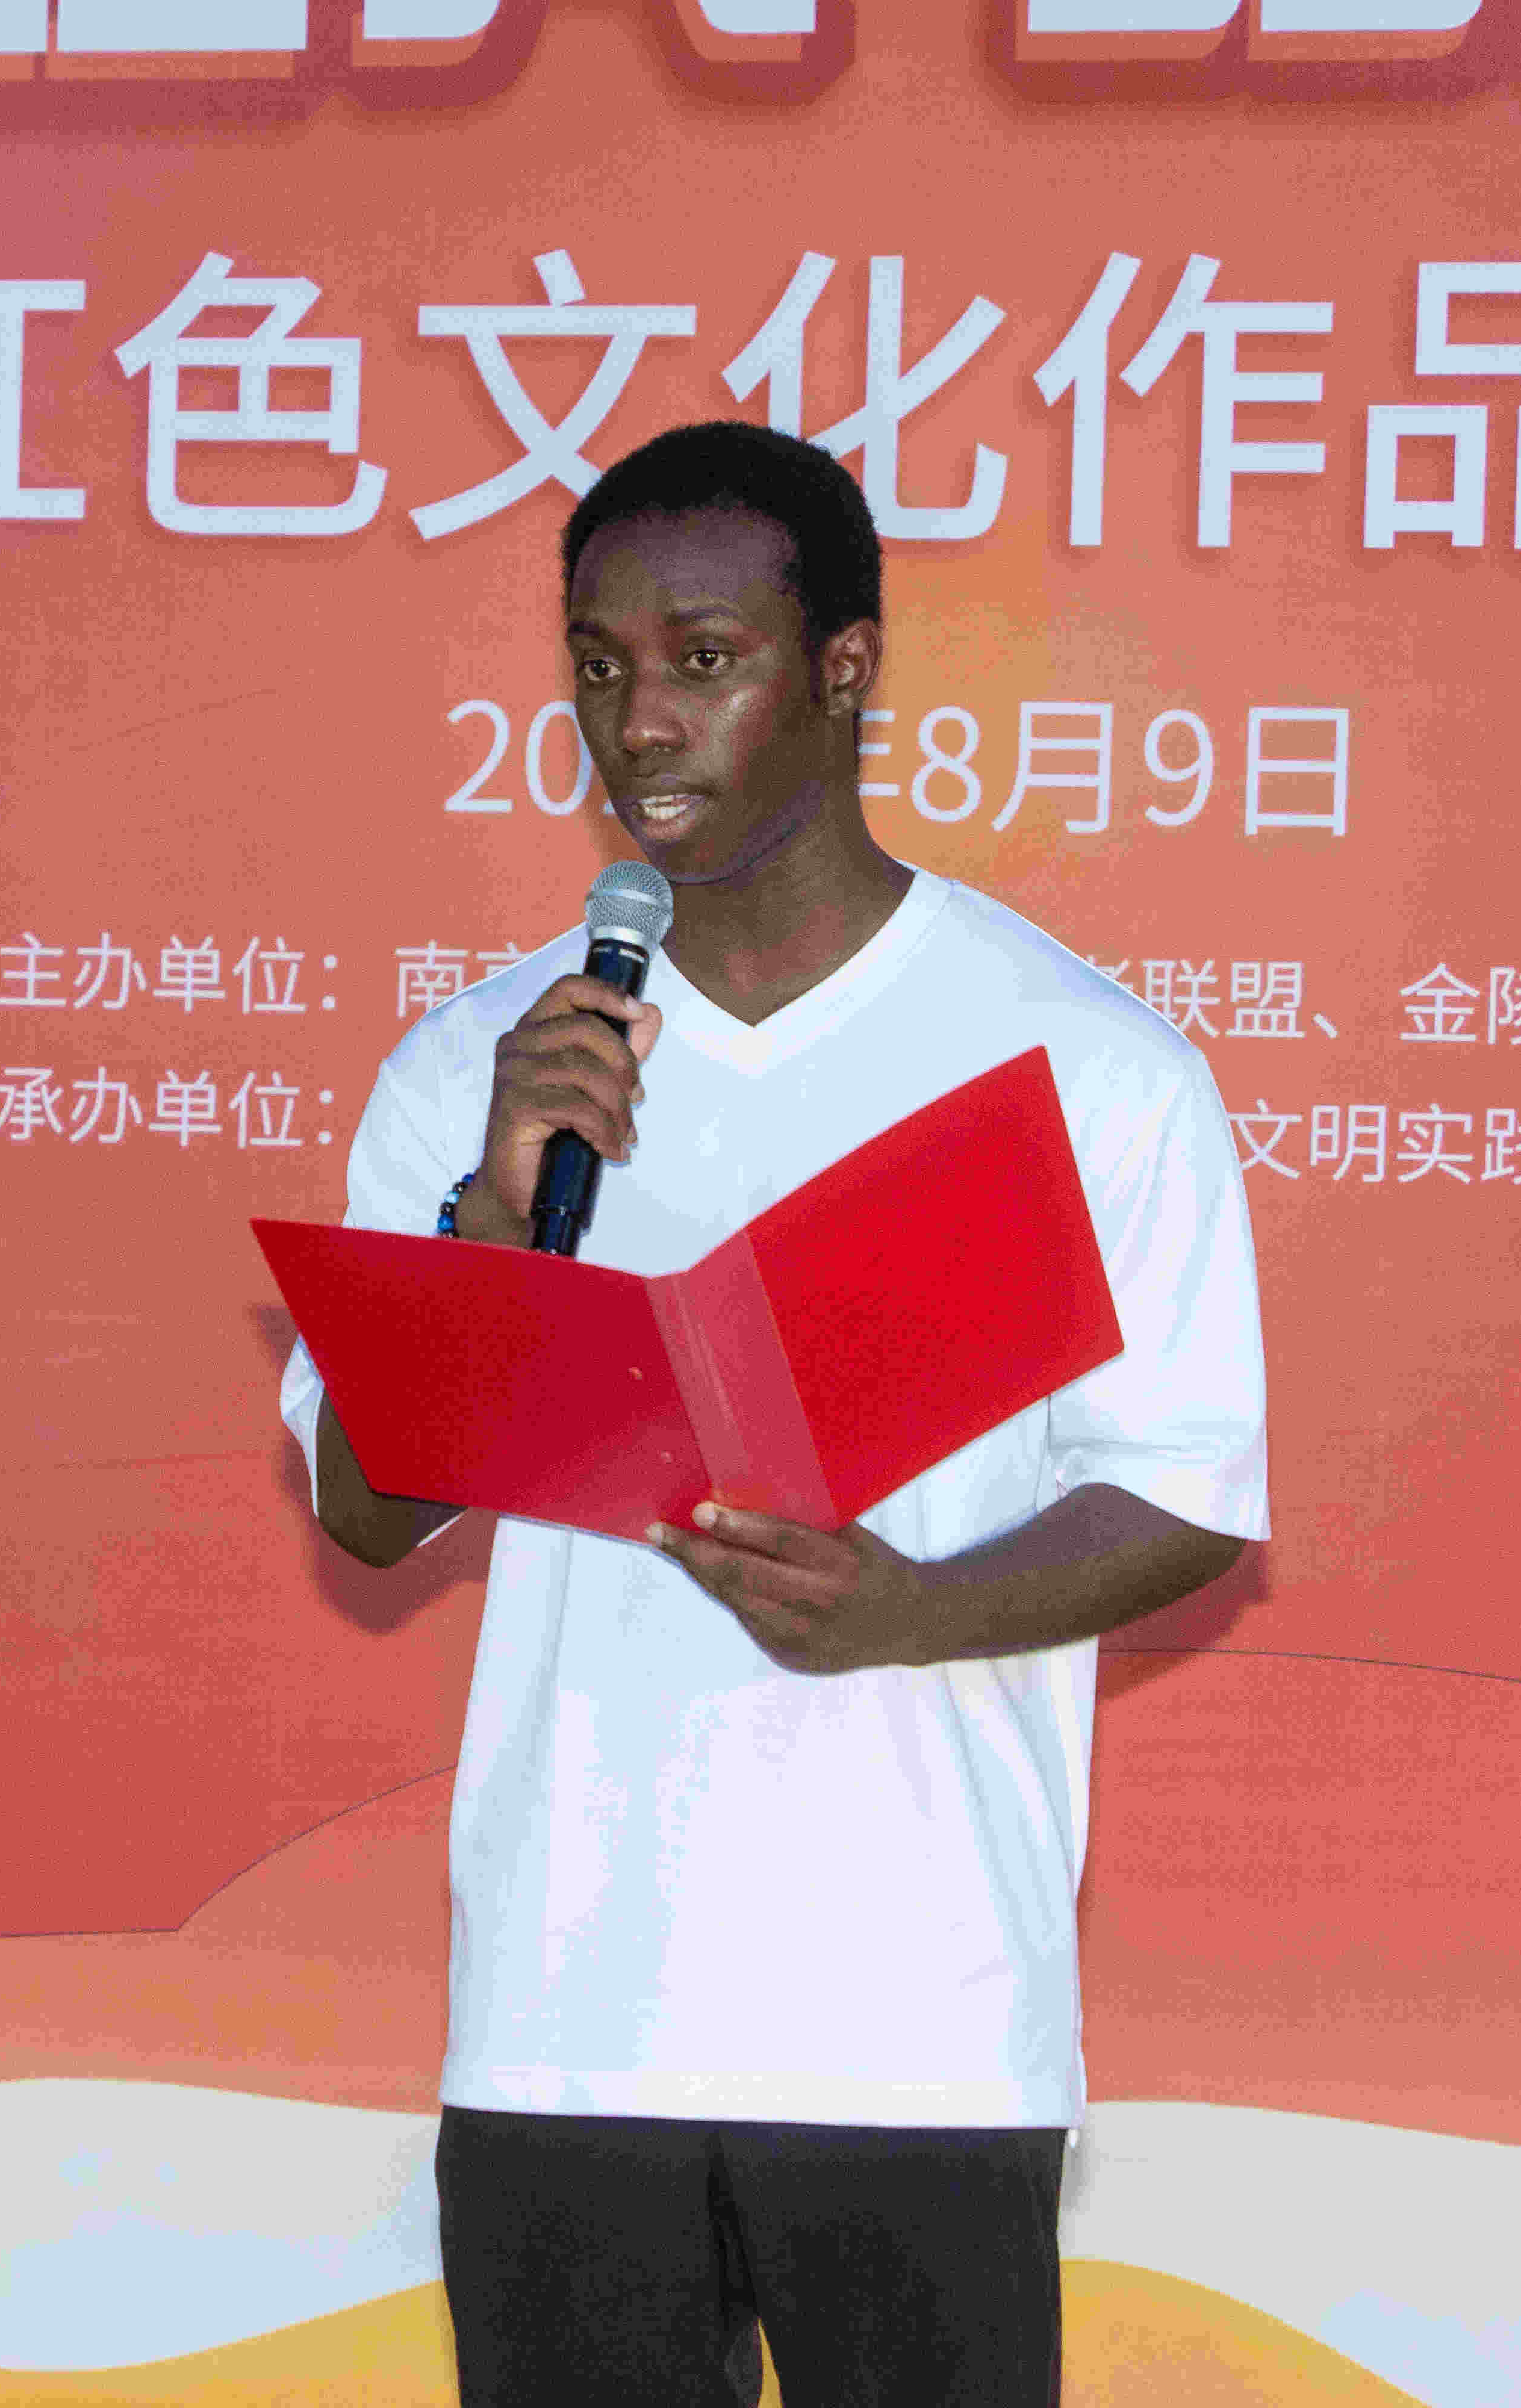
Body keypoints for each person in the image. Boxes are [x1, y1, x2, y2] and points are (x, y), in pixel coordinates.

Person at [280, 423, 1266, 2407]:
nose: (641, 721)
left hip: (921, 2024)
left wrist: (911, 1610)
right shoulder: (482, 1071)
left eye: (705, 661)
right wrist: (493, 1223)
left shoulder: (1083, 1065)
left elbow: (1184, 1498)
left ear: (844, 671)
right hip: (566, 2022)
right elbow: (367, 1515)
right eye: (599, 664)